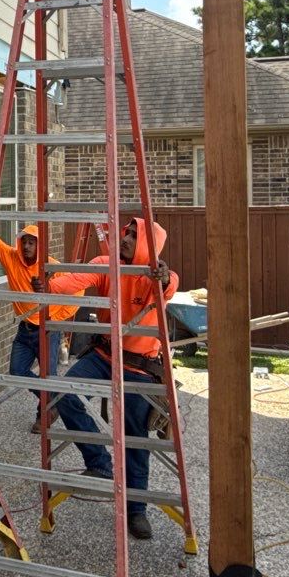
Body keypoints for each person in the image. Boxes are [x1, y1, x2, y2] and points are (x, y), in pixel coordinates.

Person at [48, 218, 177, 540]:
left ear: (149, 244)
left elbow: (168, 285)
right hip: (104, 356)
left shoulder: (156, 275)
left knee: (134, 437)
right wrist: (45, 285)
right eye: (126, 232)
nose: (126, 238)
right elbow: (72, 281)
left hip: (140, 367)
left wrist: (161, 277)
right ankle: (100, 462)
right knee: (65, 394)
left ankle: (137, 510)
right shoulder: (106, 264)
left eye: (134, 235)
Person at [0, 201, 77, 427]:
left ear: (39, 247)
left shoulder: (51, 267)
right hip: (25, 329)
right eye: (24, 242)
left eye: (31, 243)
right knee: (17, 370)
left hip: (47, 331)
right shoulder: (11, 258)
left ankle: (43, 416)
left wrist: (56, 314)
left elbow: (78, 288)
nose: (26, 247)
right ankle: (52, 400)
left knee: (48, 375)